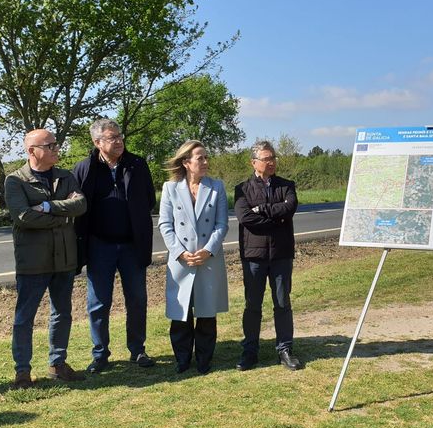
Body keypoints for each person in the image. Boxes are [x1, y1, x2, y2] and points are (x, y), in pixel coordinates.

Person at [5, 129, 87, 389]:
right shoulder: (15, 180)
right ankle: (22, 372)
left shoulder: (66, 176)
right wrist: (64, 214)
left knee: (62, 313)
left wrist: (50, 207)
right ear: (32, 151)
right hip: (33, 260)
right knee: (24, 317)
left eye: (56, 144)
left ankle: (57, 363)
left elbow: (82, 205)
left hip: (64, 258)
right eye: (50, 145)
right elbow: (24, 217)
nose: (56, 149)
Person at [73, 119, 156, 374]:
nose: (119, 141)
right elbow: (77, 207)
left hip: (132, 245)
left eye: (120, 136)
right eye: (112, 138)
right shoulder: (84, 168)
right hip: (100, 246)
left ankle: (137, 350)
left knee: (137, 299)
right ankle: (100, 354)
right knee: (98, 303)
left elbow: (149, 199)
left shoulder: (137, 164)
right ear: (97, 142)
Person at [158, 140, 229, 374]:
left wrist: (208, 250)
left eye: (206, 157)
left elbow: (221, 225)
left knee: (206, 313)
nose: (206, 162)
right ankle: (182, 359)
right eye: (201, 158)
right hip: (181, 261)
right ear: (187, 162)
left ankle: (204, 360)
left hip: (208, 259)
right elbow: (165, 225)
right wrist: (180, 252)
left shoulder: (217, 187)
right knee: (181, 314)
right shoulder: (170, 188)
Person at [234, 140, 303, 371]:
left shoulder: (287, 185)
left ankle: (285, 349)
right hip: (254, 256)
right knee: (252, 305)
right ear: (254, 162)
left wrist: (262, 209)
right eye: (266, 159)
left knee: (282, 303)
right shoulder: (242, 189)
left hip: (281, 254)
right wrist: (277, 218)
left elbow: (289, 209)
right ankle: (250, 351)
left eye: (273, 158)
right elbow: (246, 219)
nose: (271, 162)